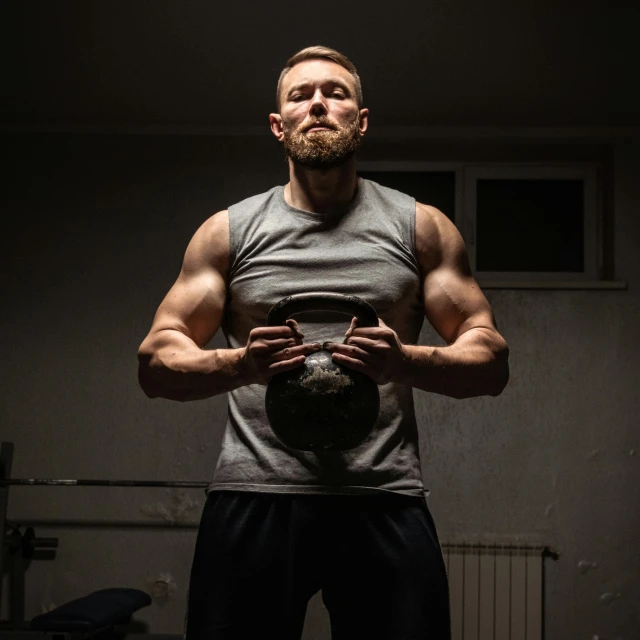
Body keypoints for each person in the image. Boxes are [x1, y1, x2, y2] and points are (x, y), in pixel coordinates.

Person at [137, 45, 509, 640]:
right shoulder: (228, 233)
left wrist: (404, 360)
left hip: (381, 494)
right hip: (255, 494)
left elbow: (490, 360)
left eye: (335, 93)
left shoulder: (421, 226)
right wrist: (241, 364)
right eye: (300, 95)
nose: (317, 104)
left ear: (360, 120)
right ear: (278, 124)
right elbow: (156, 362)